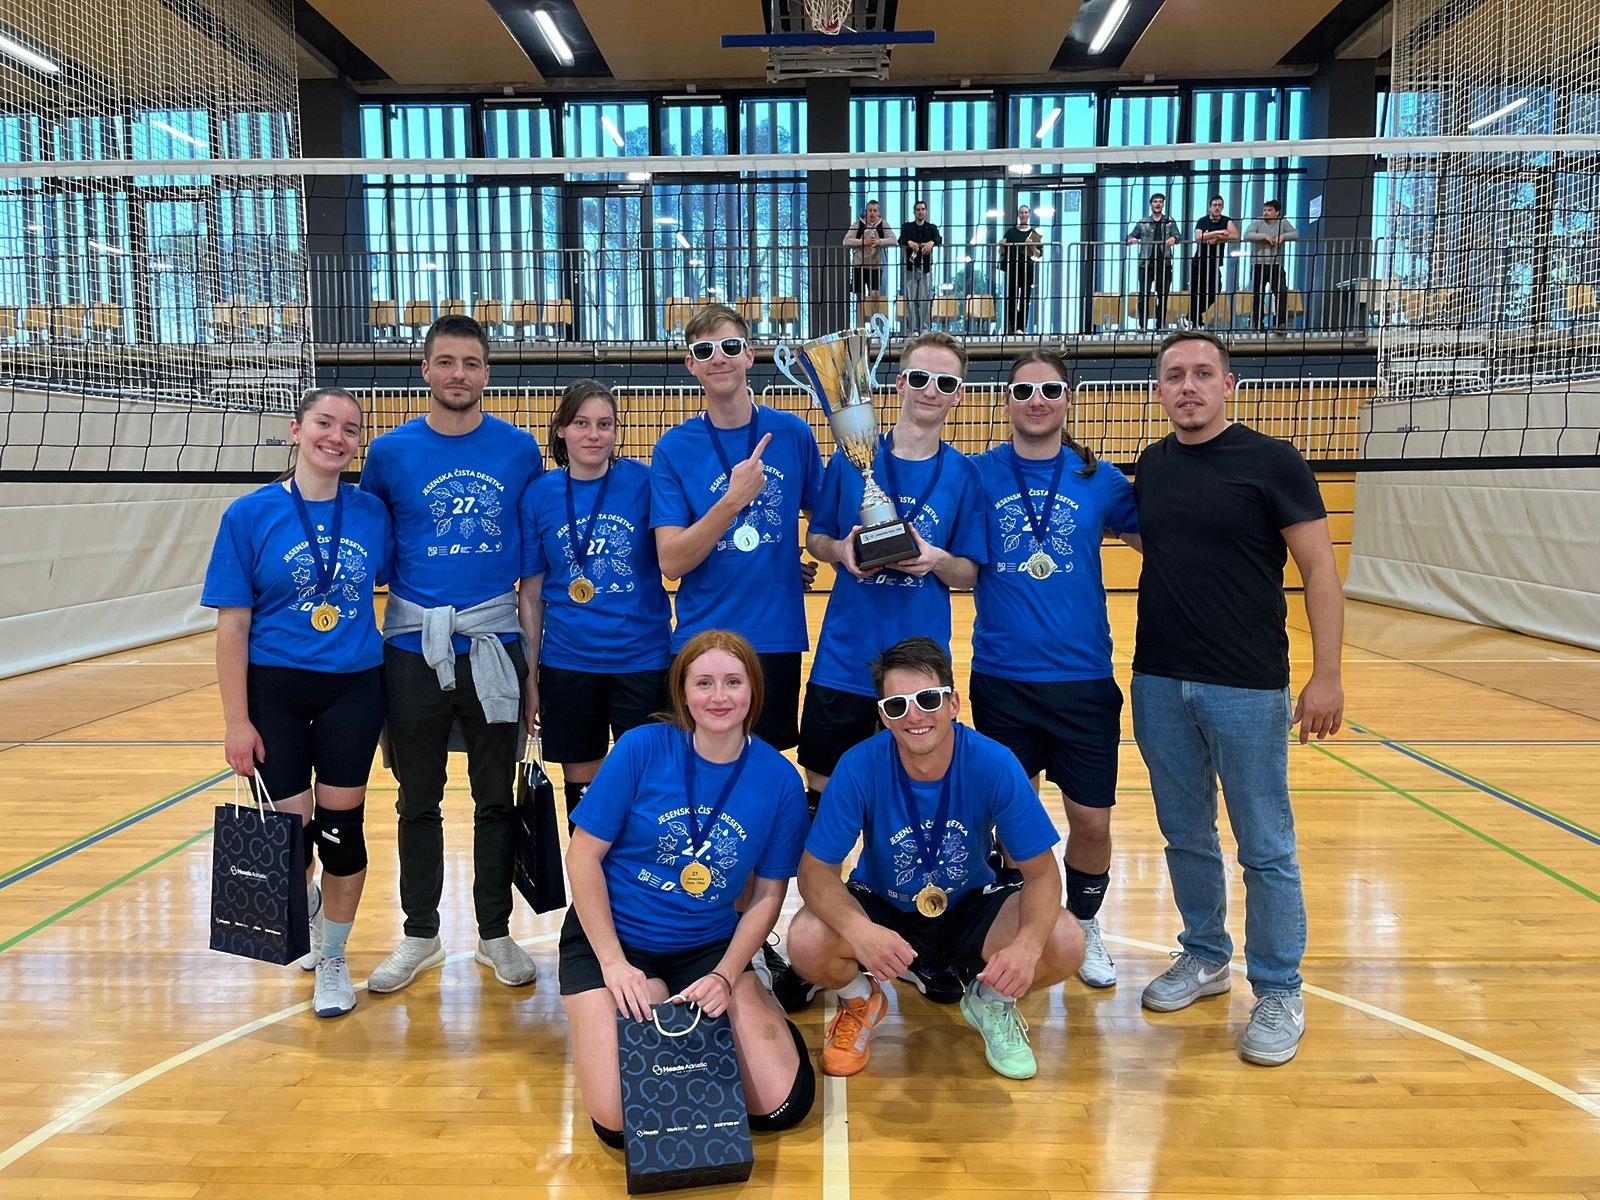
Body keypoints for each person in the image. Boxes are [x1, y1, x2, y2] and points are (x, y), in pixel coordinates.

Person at [1133, 328, 1344, 1067]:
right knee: (1185, 833)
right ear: (1159, 390)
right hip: (1159, 681)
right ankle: (1205, 954)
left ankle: (1280, 988)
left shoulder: (1273, 461)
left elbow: (1319, 570)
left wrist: (1326, 675)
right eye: (1174, 376)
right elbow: (1168, 545)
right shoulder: (1152, 465)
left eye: (1202, 374)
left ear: (1229, 385)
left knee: (1265, 845)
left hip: (1249, 686)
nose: (1187, 387)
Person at [787, 637, 1085, 1082]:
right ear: (883, 716)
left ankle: (991, 1002)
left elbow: (1042, 873)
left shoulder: (995, 763)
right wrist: (857, 929)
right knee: (805, 939)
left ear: (953, 703)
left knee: (1065, 941)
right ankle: (860, 1000)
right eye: (896, 706)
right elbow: (815, 871)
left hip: (970, 906)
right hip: (884, 905)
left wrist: (1026, 945)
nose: (914, 716)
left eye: (927, 699)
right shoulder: (859, 765)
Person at [561, 630, 814, 1147]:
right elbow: (582, 857)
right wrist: (613, 963)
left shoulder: (780, 779)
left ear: (754, 689)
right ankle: (628, 1011)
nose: (719, 697)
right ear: (682, 691)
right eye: (704, 683)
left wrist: (725, 974)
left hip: (706, 947)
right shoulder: (641, 748)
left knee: (783, 1106)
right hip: (614, 941)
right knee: (620, 1122)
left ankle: (756, 1006)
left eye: (733, 682)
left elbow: (768, 895)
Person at [799, 331, 987, 1005]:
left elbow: (969, 573)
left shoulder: (964, 475)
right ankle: (823, 944)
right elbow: (817, 536)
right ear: (898, 383)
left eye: (946, 382)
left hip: (921, 676)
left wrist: (935, 559)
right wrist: (842, 551)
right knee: (823, 811)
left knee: (917, 809)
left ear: (958, 395)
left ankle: (927, 943)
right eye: (920, 378)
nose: (931, 391)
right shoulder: (852, 454)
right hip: (844, 663)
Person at [359, 314, 544, 995]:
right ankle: (420, 934)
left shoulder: (520, 450)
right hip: (413, 647)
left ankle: (494, 933)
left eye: (470, 362)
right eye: (446, 361)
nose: (458, 374)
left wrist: (535, 673)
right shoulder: (389, 453)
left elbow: (531, 567)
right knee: (417, 800)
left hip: (494, 643)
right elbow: (368, 546)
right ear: (426, 370)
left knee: (496, 799)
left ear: (487, 373)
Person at [202, 386, 392, 1018]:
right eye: (324, 423)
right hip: (274, 690)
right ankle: (310, 908)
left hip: (353, 686)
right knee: (292, 840)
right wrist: (236, 721)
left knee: (342, 834)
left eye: (350, 429)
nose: (336, 437)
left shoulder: (371, 513)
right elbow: (232, 624)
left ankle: (332, 957)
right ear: (296, 429)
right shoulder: (250, 515)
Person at [968, 350, 1141, 992]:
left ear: (1068, 398)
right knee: (1014, 821)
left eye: (1049, 389)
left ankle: (1086, 925)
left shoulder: (1102, 479)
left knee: (1091, 820)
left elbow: (1167, 542)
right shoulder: (979, 474)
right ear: (1006, 401)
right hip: (1003, 679)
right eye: (1023, 390)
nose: (1036, 400)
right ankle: (1019, 928)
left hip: (1083, 680)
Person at [651, 302, 823, 754]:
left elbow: (823, 522)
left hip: (775, 636)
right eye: (704, 351)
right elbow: (672, 561)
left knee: (765, 768)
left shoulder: (793, 433)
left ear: (749, 355)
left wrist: (792, 556)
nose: (718, 358)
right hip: (700, 638)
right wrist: (732, 501)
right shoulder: (673, 448)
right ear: (691, 365)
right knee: (698, 769)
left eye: (730, 347)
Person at [518, 380, 672, 830]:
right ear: (561, 430)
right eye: (581, 423)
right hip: (568, 663)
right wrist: (530, 678)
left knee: (646, 786)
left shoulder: (644, 483)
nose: (593, 434)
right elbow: (531, 594)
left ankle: (637, 875)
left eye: (605, 424)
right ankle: (587, 874)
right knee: (582, 791)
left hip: (642, 660)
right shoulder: (539, 495)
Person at [1126, 194, 1181, 330]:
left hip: (1164, 264)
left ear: (1163, 204)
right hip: (1146, 264)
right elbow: (1129, 236)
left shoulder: (1169, 221)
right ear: (1151, 204)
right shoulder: (1143, 222)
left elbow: (1178, 236)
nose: (1158, 204)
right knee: (1143, 295)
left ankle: (1159, 326)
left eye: (1160, 202)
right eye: (1155, 202)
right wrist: (1131, 239)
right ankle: (1143, 326)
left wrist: (1174, 239)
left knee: (1162, 296)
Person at [1243, 199, 1298, 331]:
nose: (1266, 213)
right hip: (1258, 265)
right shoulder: (1257, 222)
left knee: (1281, 293)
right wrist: (1264, 236)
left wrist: (1283, 236)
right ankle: (1258, 324)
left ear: (1277, 212)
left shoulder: (1282, 223)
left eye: (1269, 210)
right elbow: (1247, 235)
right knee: (1258, 296)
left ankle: (1281, 323)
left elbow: (1296, 234)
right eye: (1265, 210)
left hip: (1275, 265)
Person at [1190, 195, 1238, 325]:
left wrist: (1217, 238)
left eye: (1219, 205)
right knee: (1197, 292)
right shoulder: (1203, 221)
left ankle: (1192, 317)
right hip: (1199, 262)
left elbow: (1235, 236)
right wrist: (1218, 233)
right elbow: (1199, 237)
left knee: (1214, 290)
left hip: (1214, 263)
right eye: (1215, 205)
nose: (1217, 208)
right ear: (1209, 207)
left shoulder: (1226, 221)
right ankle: (1194, 319)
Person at [843, 199, 896, 319]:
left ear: (879, 212)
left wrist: (878, 242)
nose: (872, 213)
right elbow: (846, 241)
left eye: (875, 211)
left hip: (875, 266)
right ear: (866, 212)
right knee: (860, 297)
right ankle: (860, 326)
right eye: (870, 210)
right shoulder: (858, 225)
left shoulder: (883, 225)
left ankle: (874, 324)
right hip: (859, 265)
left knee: (875, 295)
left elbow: (893, 240)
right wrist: (863, 242)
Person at [999, 204, 1044, 335]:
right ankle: (1014, 327)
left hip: (1027, 268)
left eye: (1026, 213)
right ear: (1018, 215)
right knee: (1011, 298)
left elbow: (1038, 254)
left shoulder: (1033, 234)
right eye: (1021, 213)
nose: (1023, 215)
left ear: (1029, 215)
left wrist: (1031, 245)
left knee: (1025, 298)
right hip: (1012, 267)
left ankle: (1021, 327)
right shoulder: (1011, 232)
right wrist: (1002, 245)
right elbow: (1002, 252)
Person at [899, 200, 943, 334]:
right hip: (910, 269)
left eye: (923, 209)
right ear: (914, 212)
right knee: (911, 300)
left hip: (926, 269)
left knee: (925, 300)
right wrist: (909, 242)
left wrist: (931, 242)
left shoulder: (932, 228)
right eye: (918, 209)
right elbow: (900, 239)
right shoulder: (907, 227)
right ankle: (913, 329)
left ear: (926, 211)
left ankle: (924, 329)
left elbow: (939, 239)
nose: (920, 212)